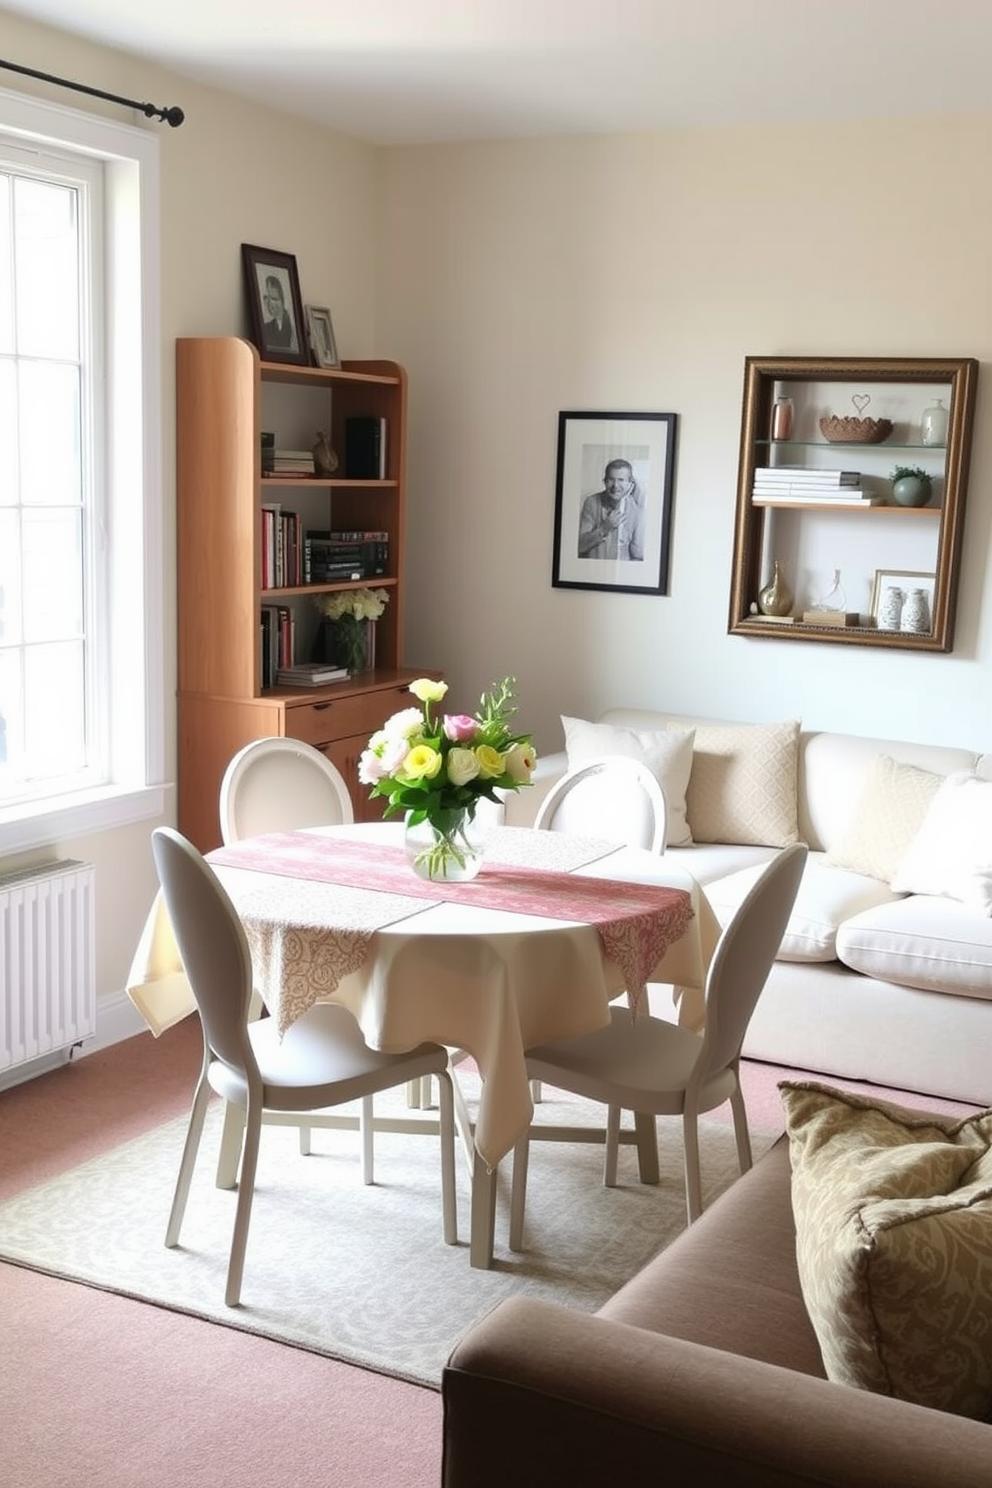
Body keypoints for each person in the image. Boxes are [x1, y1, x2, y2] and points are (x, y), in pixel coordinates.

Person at [577, 458, 645, 560]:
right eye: (611, 479)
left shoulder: (636, 508)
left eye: (621, 480)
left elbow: (638, 554)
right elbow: (580, 546)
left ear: (630, 483)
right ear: (604, 481)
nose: (615, 485)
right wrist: (604, 528)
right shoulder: (591, 502)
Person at [261, 273, 296, 350]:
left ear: (282, 300)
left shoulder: (292, 326)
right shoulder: (266, 327)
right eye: (266, 298)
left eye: (274, 298)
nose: (269, 303)